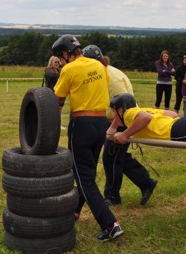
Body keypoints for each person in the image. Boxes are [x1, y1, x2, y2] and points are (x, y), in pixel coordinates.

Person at [52, 35, 123, 243]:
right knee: (88, 174)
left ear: (66, 53)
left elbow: (57, 99)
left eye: (60, 56)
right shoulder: (99, 66)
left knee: (84, 179)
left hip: (81, 125)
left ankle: (110, 225)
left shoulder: (69, 69)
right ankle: (74, 212)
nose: (61, 60)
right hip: (100, 124)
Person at [82, 45, 157, 207]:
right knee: (117, 157)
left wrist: (115, 128)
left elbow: (122, 108)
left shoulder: (112, 79)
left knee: (111, 158)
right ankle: (146, 182)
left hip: (123, 120)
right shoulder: (101, 73)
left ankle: (113, 196)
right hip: (116, 119)